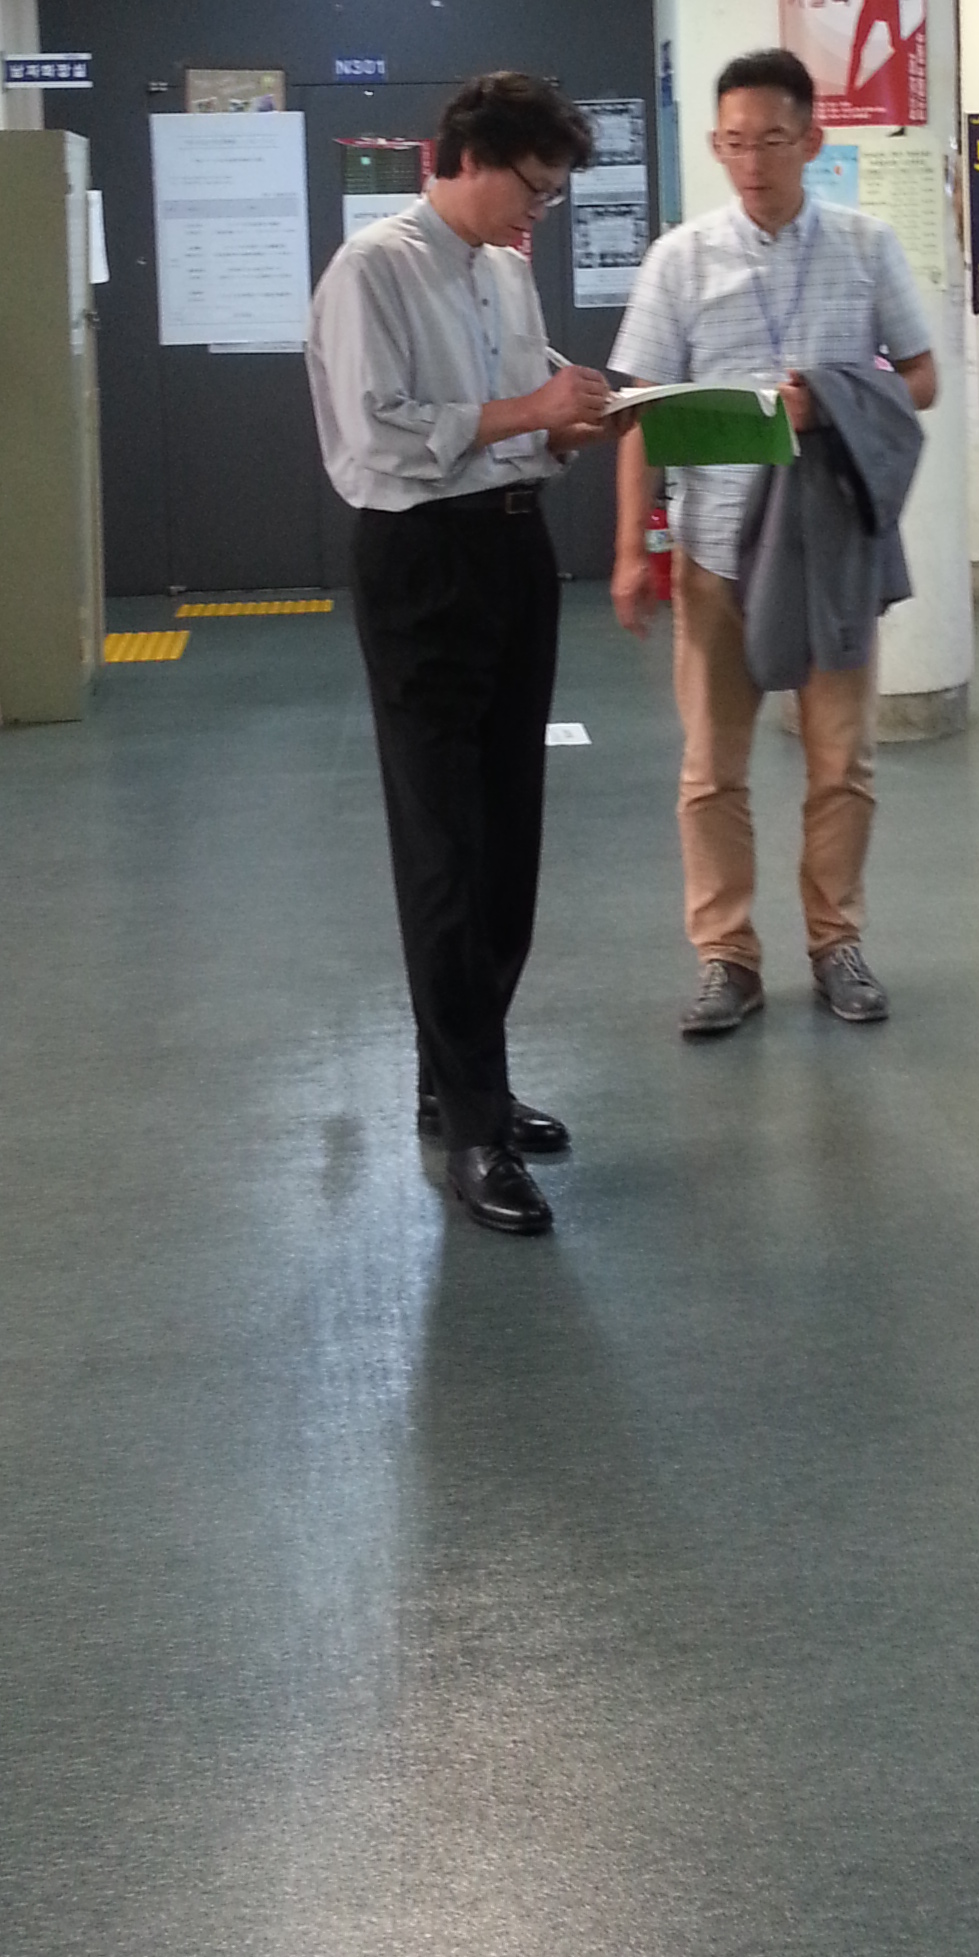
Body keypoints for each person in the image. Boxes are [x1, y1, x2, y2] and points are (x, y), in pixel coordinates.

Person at [304, 71, 615, 1237]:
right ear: (466, 158)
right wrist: (529, 415)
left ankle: (460, 1078)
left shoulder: (505, 271)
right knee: (443, 844)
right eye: (531, 187)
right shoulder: (372, 270)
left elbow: (520, 415)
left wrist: (571, 428)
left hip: (514, 552)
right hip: (422, 565)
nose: (539, 211)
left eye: (553, 194)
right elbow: (376, 434)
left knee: (507, 835)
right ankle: (474, 1131)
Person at [609, 46, 938, 1037]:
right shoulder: (679, 259)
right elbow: (637, 412)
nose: (752, 163)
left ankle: (837, 943)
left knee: (842, 761)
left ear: (812, 140)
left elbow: (922, 377)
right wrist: (628, 551)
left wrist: (832, 399)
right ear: (716, 145)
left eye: (772, 141)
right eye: (734, 143)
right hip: (715, 551)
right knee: (712, 768)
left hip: (830, 545)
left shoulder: (866, 246)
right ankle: (727, 957)